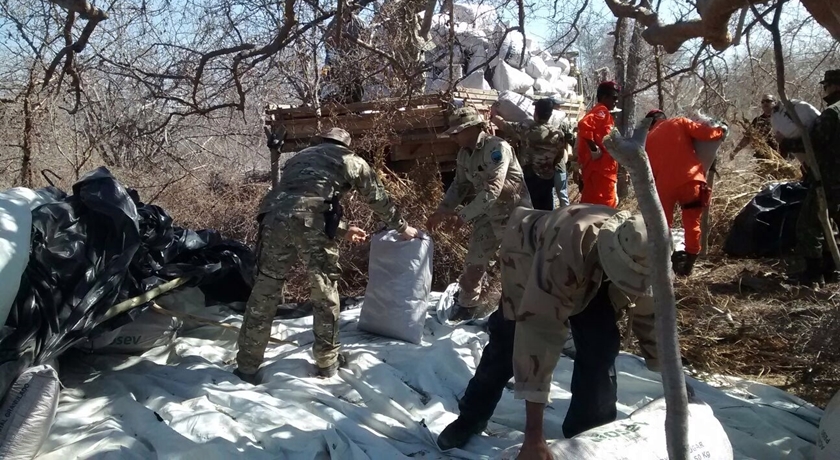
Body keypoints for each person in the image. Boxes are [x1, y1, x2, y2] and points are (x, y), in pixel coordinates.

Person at [436, 205, 659, 452]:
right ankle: (470, 418)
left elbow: (649, 311)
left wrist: (669, 376)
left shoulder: (649, 250)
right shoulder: (563, 253)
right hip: (530, 256)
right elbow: (537, 334)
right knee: (508, 342)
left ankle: (588, 438)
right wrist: (534, 436)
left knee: (601, 347)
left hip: (596, 273)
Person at [235, 128, 418, 382]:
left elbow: (297, 203)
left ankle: (246, 365)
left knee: (265, 290)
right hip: (311, 222)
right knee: (324, 293)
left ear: (322, 142)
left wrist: (342, 230)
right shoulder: (350, 160)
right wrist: (402, 226)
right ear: (346, 146)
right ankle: (327, 362)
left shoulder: (300, 157)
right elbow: (376, 197)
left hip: (272, 219)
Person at [427, 106, 530, 321]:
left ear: (472, 129)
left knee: (518, 266)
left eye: (458, 131)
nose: (454, 136)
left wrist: (462, 216)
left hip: (514, 216)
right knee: (474, 260)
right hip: (487, 216)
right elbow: (459, 185)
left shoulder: (497, 149)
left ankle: (525, 313)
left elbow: (493, 190)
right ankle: (467, 306)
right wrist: (442, 210)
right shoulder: (464, 155)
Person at [644, 112, 726, 276]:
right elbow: (705, 134)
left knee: (663, 224)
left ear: (650, 124)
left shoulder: (647, 140)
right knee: (692, 222)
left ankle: (667, 260)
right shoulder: (678, 122)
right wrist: (721, 132)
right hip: (691, 179)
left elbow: (649, 171)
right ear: (664, 117)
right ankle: (689, 263)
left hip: (664, 186)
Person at [790, 69, 840, 286]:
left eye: (826, 86)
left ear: (835, 86)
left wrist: (787, 142)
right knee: (832, 222)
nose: (824, 90)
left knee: (809, 223)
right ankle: (831, 271)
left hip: (830, 178)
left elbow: (814, 143)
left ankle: (813, 275)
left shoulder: (833, 113)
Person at [490, 98, 568, 210]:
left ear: (536, 113)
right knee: (545, 210)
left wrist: (494, 114)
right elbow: (559, 156)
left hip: (529, 177)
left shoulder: (526, 128)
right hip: (546, 178)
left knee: (528, 209)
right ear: (550, 114)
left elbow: (504, 125)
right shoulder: (558, 134)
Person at [577, 81, 621, 207]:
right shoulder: (601, 111)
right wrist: (594, 149)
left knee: (590, 205)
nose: (616, 101)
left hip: (599, 170)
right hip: (601, 170)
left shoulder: (603, 112)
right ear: (603, 97)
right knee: (605, 208)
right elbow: (584, 125)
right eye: (614, 98)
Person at [730, 94, 779, 160]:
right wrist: (735, 152)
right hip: (764, 156)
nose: (765, 103)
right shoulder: (758, 120)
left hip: (781, 154)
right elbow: (747, 137)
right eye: (763, 102)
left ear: (775, 103)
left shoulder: (781, 118)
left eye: (768, 101)